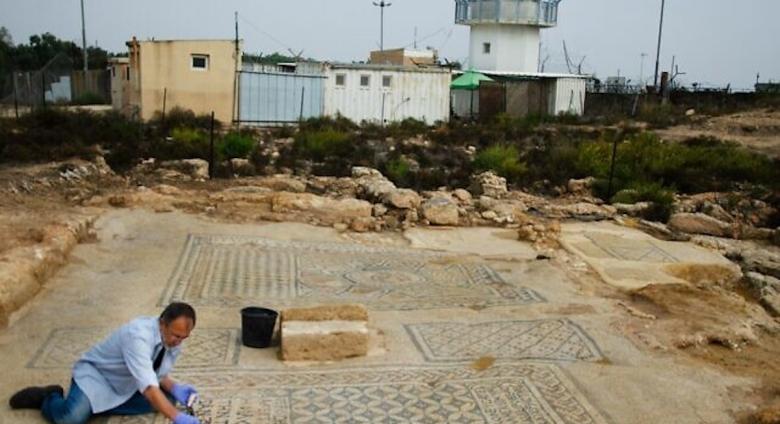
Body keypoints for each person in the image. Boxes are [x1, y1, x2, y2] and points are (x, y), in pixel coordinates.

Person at [9, 302, 201, 424]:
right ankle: (49, 397)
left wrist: (175, 388)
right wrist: (176, 417)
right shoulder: (138, 336)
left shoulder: (172, 339)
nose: (178, 341)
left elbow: (154, 372)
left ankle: (93, 406)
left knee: (168, 400)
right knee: (71, 418)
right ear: (162, 323)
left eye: (183, 337)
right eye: (176, 335)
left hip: (126, 383)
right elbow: (149, 387)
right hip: (98, 377)